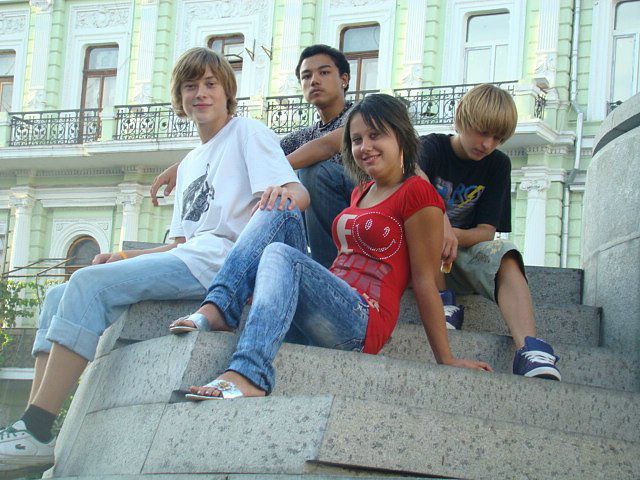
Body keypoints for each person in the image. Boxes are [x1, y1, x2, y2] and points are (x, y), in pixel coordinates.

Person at [0, 47, 308, 470]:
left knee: (87, 287)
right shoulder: (191, 161)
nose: (201, 93)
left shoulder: (248, 133)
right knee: (58, 294)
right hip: (192, 257)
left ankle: (35, 427)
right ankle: (33, 428)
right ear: (180, 97)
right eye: (190, 86)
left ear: (227, 92)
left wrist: (286, 196)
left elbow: (294, 193)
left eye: (211, 84)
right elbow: (181, 243)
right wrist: (124, 255)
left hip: (224, 263)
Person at [169, 94, 491, 400]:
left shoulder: (418, 193)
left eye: (376, 136)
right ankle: (221, 306)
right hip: (331, 301)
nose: (365, 147)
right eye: (357, 139)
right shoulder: (362, 191)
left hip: (362, 321)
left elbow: (424, 281)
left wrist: (446, 358)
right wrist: (269, 281)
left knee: (281, 255)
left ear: (402, 137)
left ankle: (250, 374)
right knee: (281, 205)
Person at [150, 44, 354, 269]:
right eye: (306, 76)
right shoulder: (304, 135)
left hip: (361, 204)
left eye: (323, 72)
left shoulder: (361, 114)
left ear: (344, 79)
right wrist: (184, 166)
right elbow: (260, 150)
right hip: (321, 219)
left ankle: (328, 268)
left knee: (311, 174)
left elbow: (326, 146)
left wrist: (269, 165)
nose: (314, 80)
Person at [418, 83, 561, 380]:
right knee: (424, 227)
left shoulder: (497, 164)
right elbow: (412, 175)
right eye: (482, 132)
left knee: (506, 253)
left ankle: (530, 350)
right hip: (420, 257)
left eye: (497, 138)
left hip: (462, 255)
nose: (487, 144)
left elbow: (486, 231)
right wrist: (439, 221)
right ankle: (442, 301)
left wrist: (452, 235)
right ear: (462, 117)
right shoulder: (431, 147)